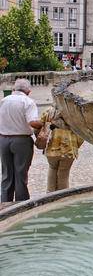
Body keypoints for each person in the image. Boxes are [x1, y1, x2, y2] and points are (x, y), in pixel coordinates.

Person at [0, 79, 42, 207]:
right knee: (21, 173)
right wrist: (43, 124)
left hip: (3, 140)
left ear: (14, 89)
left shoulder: (3, 101)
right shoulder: (28, 102)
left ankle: (4, 204)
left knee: (6, 173)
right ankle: (21, 205)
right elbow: (32, 122)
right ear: (28, 91)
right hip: (21, 140)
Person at [40, 106, 84, 192]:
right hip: (69, 148)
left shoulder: (49, 111)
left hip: (52, 147)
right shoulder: (72, 113)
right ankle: (62, 196)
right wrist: (76, 144)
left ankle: (50, 194)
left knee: (52, 169)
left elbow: (39, 126)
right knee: (64, 173)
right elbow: (81, 133)